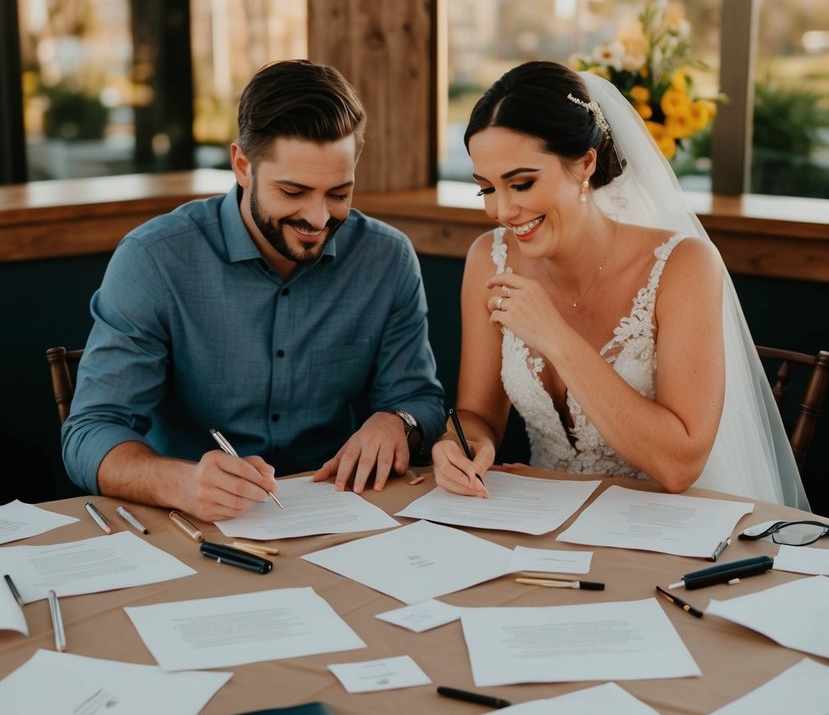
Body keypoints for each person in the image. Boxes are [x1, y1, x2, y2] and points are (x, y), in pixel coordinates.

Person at [63, 59, 445, 521]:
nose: (319, 219)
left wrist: (397, 421)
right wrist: (181, 482)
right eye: (293, 191)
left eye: (339, 194)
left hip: (339, 514)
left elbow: (420, 402)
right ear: (243, 166)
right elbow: (89, 432)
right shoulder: (154, 259)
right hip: (192, 524)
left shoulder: (386, 258)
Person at [432, 60, 807, 510]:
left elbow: (680, 466)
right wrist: (464, 446)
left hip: (664, 527)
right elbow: (477, 415)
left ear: (585, 162)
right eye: (486, 188)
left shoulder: (683, 265)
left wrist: (555, 337)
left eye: (522, 183)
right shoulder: (487, 258)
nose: (502, 211)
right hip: (542, 521)